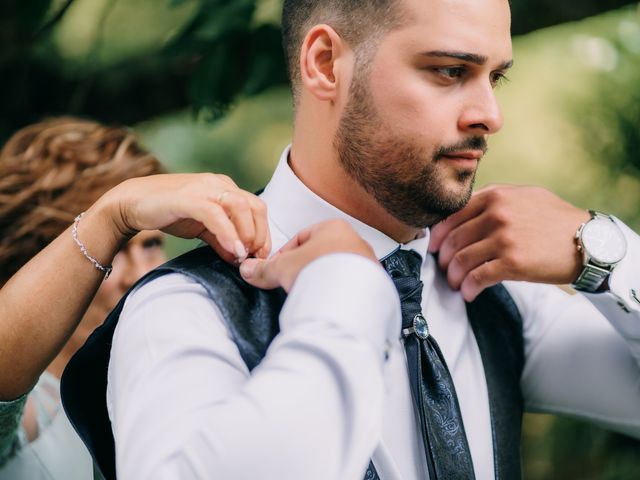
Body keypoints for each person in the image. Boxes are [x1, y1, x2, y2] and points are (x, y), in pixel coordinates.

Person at [61, 0, 640, 479]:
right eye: (449, 70)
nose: (491, 113)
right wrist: (345, 295)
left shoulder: (491, 290)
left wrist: (606, 253)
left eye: (496, 76)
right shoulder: (184, 311)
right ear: (324, 63)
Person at [0, 117, 270, 479]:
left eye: (152, 244)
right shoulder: (36, 414)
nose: (141, 275)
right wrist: (112, 215)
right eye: (113, 249)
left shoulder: (173, 378)